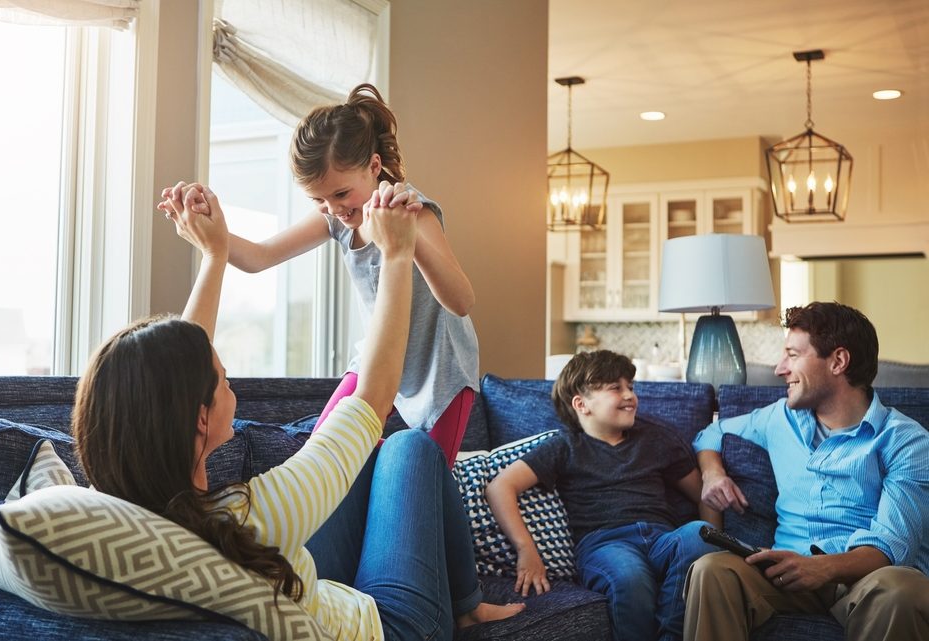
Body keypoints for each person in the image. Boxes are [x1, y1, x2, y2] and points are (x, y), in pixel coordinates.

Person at [75, 182, 523, 641]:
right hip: (394, 627)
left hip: (303, 585)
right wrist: (395, 255)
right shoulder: (261, 514)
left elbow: (176, 374)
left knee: (375, 458)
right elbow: (373, 397)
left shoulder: (117, 507)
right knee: (408, 447)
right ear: (199, 418)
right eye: (223, 378)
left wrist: (214, 255)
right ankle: (462, 609)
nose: (229, 380)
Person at [158, 83, 477, 468]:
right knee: (321, 455)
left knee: (429, 475)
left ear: (374, 167)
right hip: (376, 358)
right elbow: (259, 257)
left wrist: (405, 241)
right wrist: (207, 229)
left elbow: (461, 301)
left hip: (439, 369)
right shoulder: (335, 218)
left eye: (341, 194)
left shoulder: (415, 213)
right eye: (318, 199)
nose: (333, 208)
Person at [686, 301, 929, 641]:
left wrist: (822, 567)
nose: (779, 368)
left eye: (793, 355)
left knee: (903, 588)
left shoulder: (907, 441)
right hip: (786, 575)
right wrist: (713, 473)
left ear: (838, 361)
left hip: (864, 580)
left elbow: (890, 546)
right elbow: (711, 434)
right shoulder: (779, 417)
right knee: (711, 569)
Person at [485, 350, 721, 641]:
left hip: (662, 539)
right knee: (629, 576)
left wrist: (715, 543)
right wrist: (526, 549)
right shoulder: (565, 446)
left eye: (630, 387)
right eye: (615, 388)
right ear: (581, 404)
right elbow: (500, 487)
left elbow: (704, 495)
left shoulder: (656, 438)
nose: (629, 396)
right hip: (605, 543)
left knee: (700, 533)